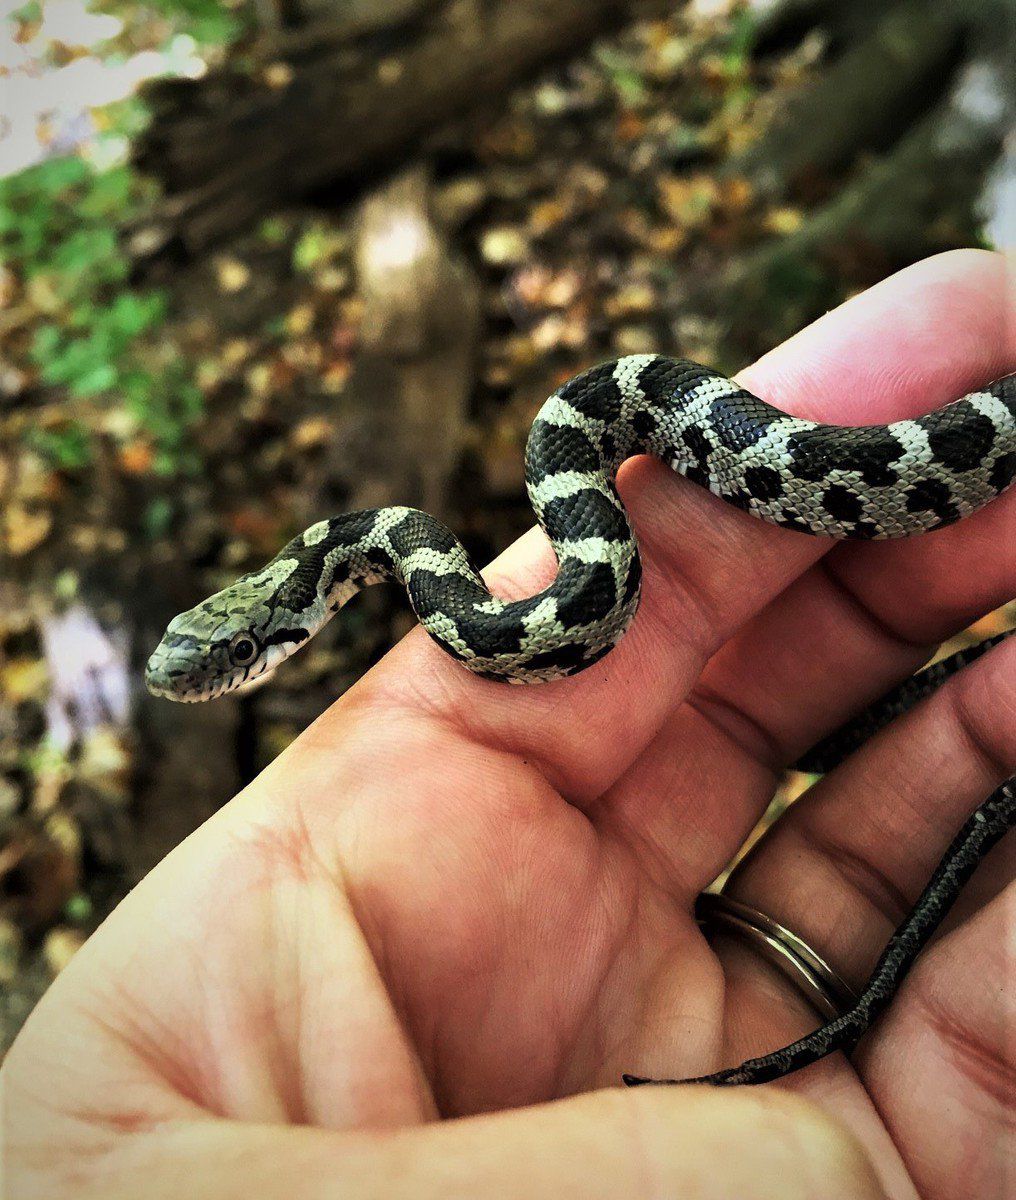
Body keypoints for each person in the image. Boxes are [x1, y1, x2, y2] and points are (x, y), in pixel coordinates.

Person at [4, 250, 1013, 1200]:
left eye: (226, 658)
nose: (216, 671)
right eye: (221, 658)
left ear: (278, 620)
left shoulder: (453, 576)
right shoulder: (449, 595)